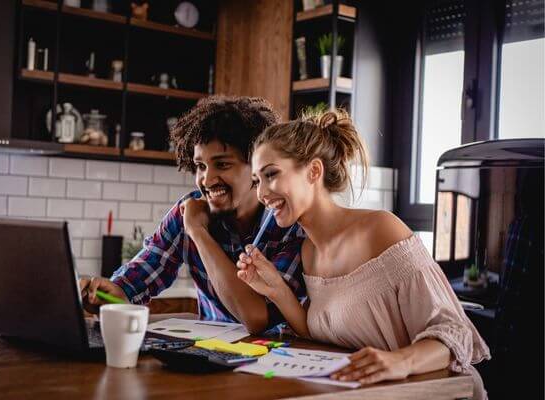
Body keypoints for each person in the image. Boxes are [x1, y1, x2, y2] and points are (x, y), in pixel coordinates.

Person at [236, 110, 491, 398]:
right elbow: (316, 330)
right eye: (257, 180)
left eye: (271, 174)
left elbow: (456, 334)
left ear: (313, 172)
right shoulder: (310, 251)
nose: (261, 193)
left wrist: (400, 360)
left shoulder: (380, 229)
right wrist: (277, 290)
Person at [80, 95, 306, 334]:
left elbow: (257, 318)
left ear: (256, 167)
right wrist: (107, 294)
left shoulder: (287, 223)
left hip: (273, 359)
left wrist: (199, 233)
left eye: (222, 165)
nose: (206, 180)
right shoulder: (187, 212)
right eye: (200, 166)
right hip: (210, 355)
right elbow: (137, 280)